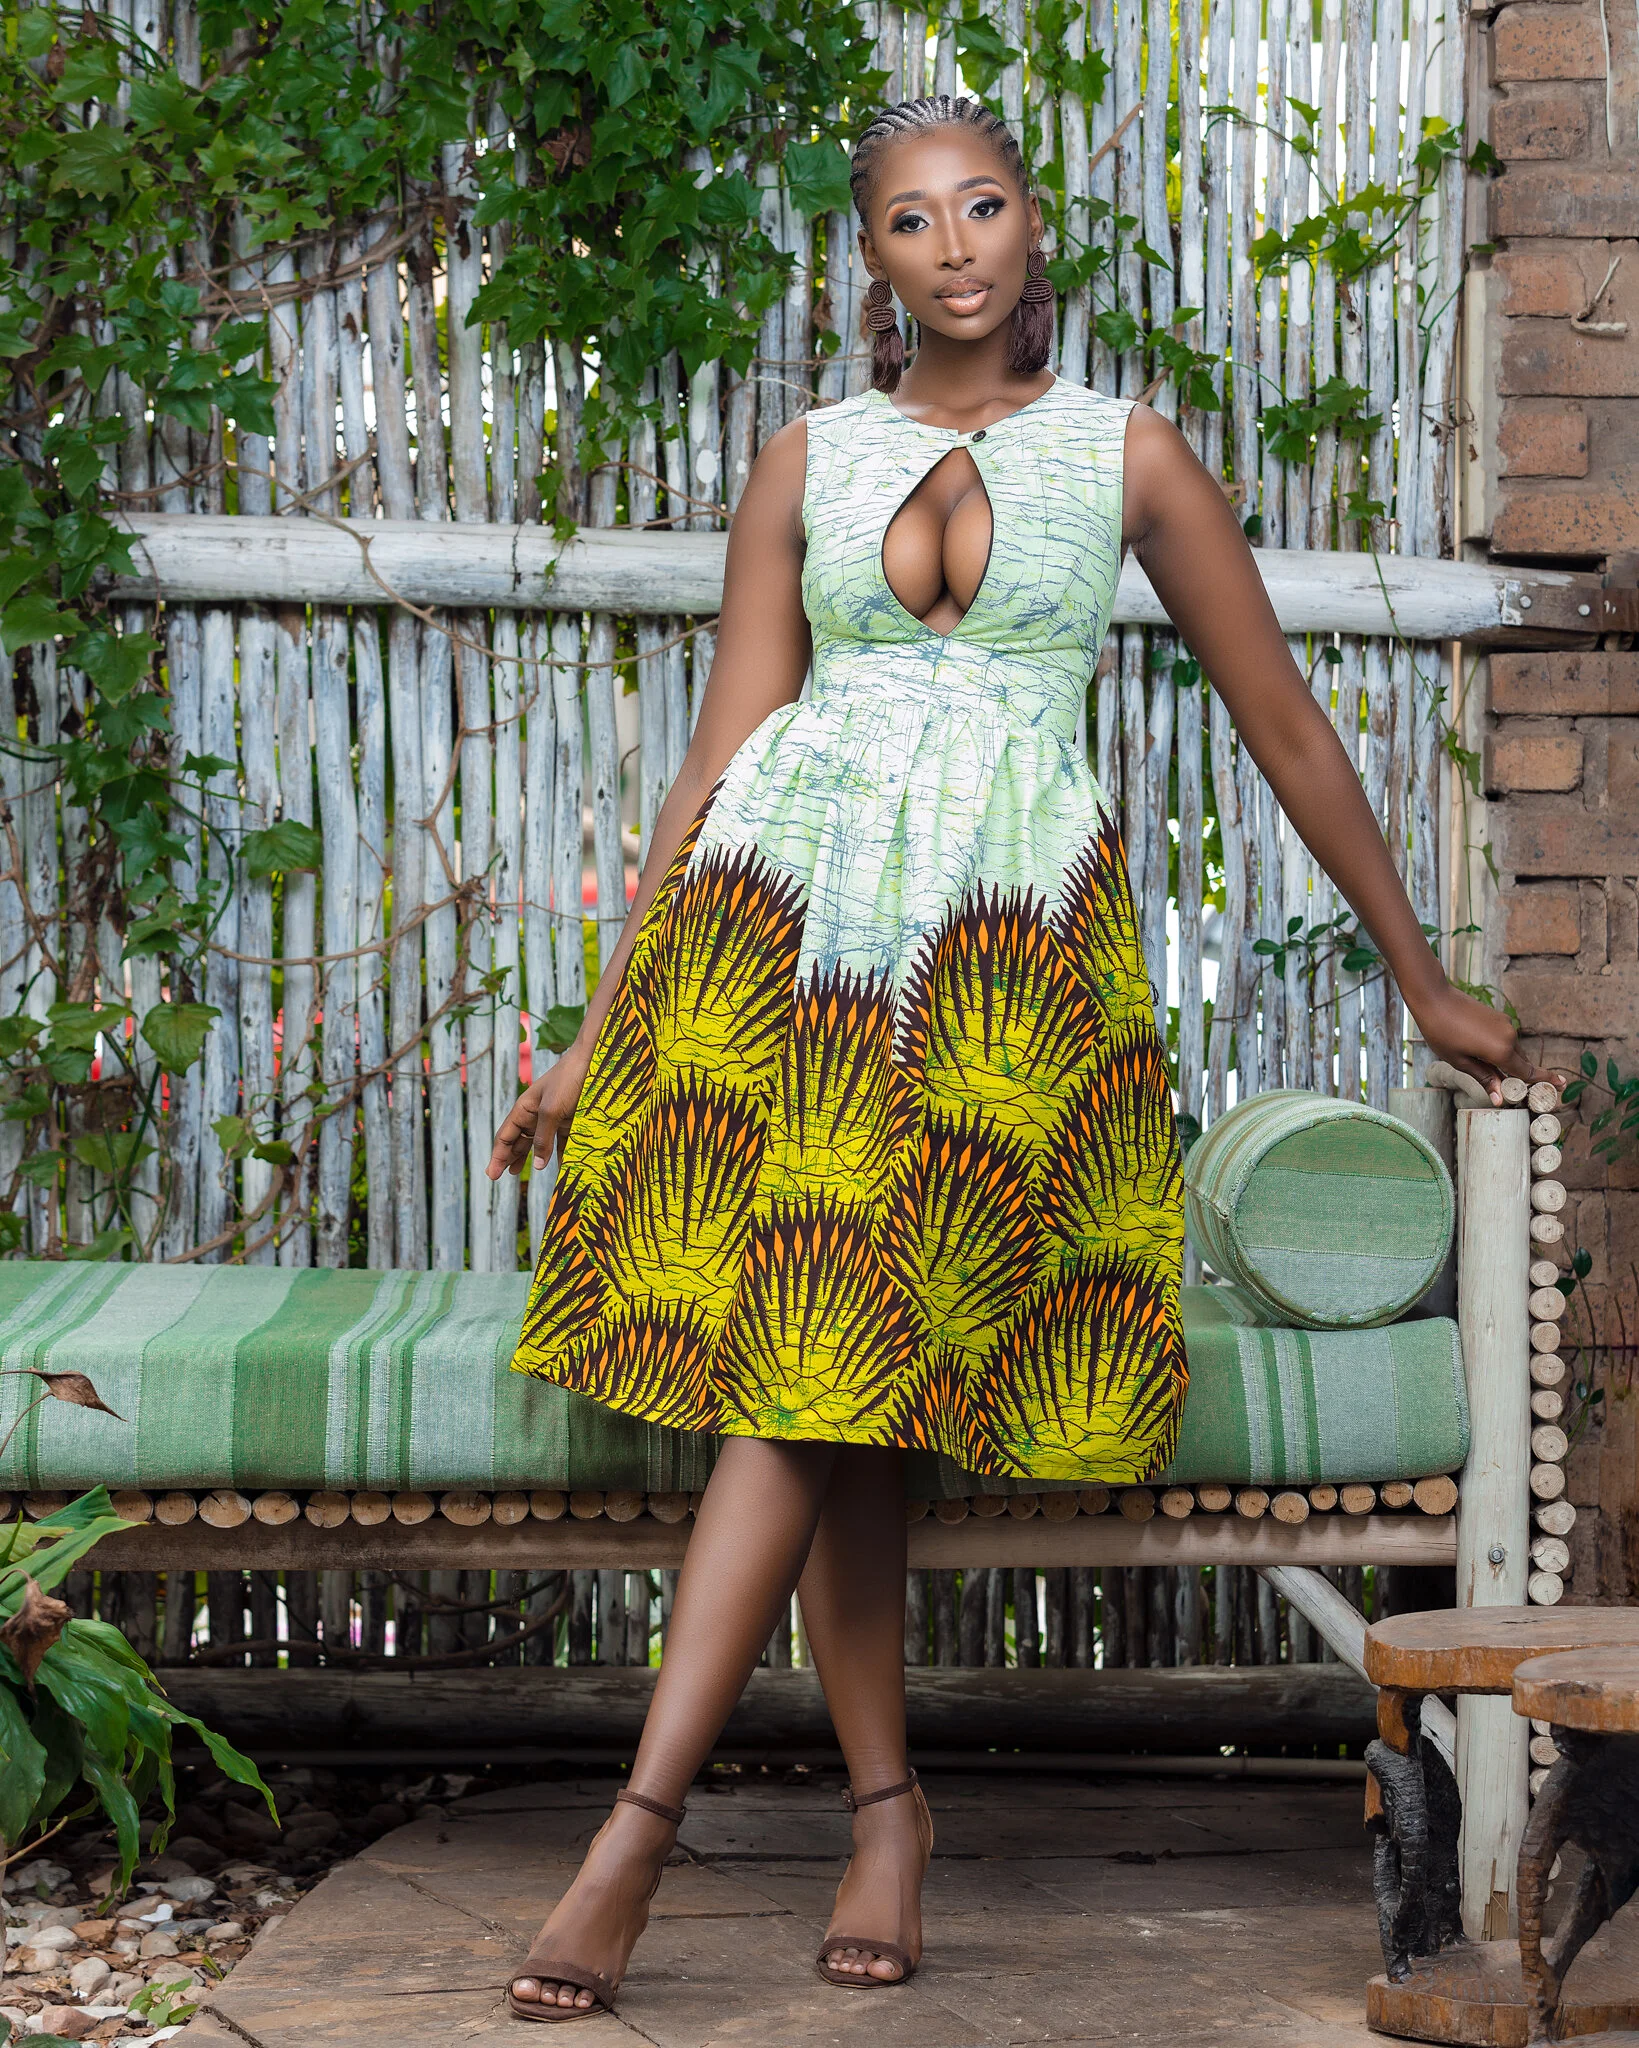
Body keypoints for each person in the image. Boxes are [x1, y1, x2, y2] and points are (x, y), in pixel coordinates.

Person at [487, 93, 1551, 2023]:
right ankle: (876, 1812)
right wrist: (587, 1036)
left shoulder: (1124, 460)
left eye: (982, 205)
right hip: (778, 957)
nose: (953, 243)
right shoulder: (804, 461)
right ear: (875, 260)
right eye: (910, 219)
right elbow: (723, 742)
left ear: (1031, 231)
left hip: (1004, 965)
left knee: (826, 1380)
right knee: (826, 1381)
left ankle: (636, 1834)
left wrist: (1422, 980)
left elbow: (1287, 728)